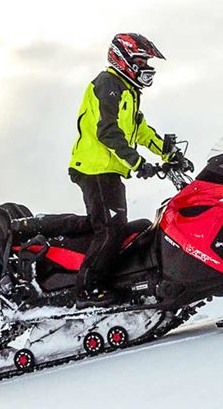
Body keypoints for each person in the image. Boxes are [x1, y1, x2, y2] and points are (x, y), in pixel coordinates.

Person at [68, 33, 172, 308]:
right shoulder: (108, 85)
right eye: (141, 59)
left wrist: (167, 152)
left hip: (108, 170)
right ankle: (87, 290)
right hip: (95, 168)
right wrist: (137, 163)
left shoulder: (129, 90)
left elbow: (140, 131)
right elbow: (108, 132)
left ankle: (117, 278)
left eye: (147, 60)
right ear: (123, 58)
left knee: (124, 228)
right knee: (110, 229)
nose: (147, 66)